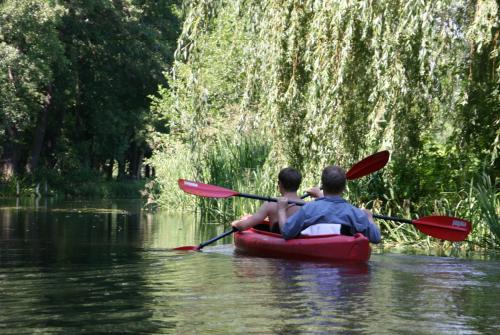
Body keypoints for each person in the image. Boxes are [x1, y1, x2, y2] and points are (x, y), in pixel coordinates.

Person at [277, 165, 381, 243]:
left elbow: (286, 233)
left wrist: (281, 210)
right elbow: (376, 238)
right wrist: (369, 217)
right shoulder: (356, 213)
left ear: (323, 185)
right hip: (344, 265)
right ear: (344, 189)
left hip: (312, 266)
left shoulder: (308, 209)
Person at [231, 167, 303, 233]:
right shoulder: (306, 205)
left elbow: (243, 226)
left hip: (277, 243)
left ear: (279, 184)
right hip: (299, 243)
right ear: (298, 185)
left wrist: (235, 223)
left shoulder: (270, 204)